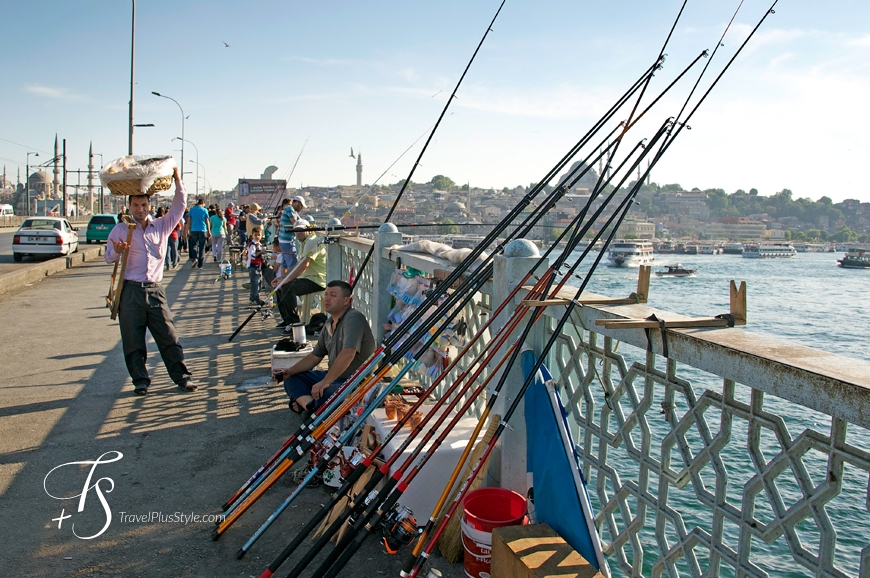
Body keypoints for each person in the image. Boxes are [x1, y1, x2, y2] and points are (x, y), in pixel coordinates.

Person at [105, 166, 196, 395]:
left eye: (144, 205)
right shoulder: (120, 230)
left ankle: (182, 377)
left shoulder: (162, 226)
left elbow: (179, 205)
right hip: (130, 292)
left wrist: (177, 178)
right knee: (133, 339)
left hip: (155, 291)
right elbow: (108, 258)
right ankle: (140, 381)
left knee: (168, 336)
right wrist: (117, 250)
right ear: (129, 206)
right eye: (135, 205)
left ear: (150, 206)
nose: (139, 209)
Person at [273, 280, 375, 415]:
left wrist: (326, 381)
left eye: (333, 295)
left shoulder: (353, 318)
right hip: (334, 377)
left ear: (346, 301)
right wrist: (289, 371)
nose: (327, 298)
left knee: (327, 392)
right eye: (326, 294)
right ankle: (310, 408)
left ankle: (309, 407)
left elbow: (348, 353)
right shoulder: (329, 322)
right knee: (292, 378)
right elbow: (314, 356)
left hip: (355, 382)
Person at [271, 218, 326, 331]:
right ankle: (287, 320)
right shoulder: (304, 243)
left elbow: (304, 265)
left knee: (287, 288)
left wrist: (286, 280)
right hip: (307, 278)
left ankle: (294, 325)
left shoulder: (312, 241)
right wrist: (282, 277)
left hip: (318, 280)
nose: (298, 233)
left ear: (308, 230)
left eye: (301, 230)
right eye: (296, 231)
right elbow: (297, 265)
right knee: (279, 286)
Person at [185, 198, 209, 268]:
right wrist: (209, 231)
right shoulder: (204, 210)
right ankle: (200, 264)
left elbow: (188, 222)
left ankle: (194, 258)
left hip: (194, 230)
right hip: (203, 230)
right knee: (202, 247)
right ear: (203, 203)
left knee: (193, 246)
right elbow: (207, 221)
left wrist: (187, 231)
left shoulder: (192, 210)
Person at [277, 198, 299, 275]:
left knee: (285, 264)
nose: (301, 208)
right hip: (287, 241)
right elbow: (296, 223)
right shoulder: (289, 208)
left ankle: (283, 284)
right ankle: (291, 284)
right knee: (292, 265)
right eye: (301, 206)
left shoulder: (293, 211)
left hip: (283, 240)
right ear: (297, 203)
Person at [246, 227, 265, 305]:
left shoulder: (259, 244)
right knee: (254, 282)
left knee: (258, 282)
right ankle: (254, 298)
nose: (257, 236)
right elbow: (253, 255)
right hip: (253, 266)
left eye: (259, 235)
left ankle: (256, 296)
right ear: (252, 236)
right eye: (255, 235)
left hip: (258, 265)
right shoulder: (252, 245)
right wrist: (260, 253)